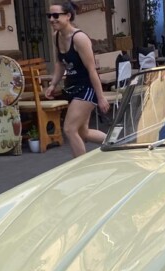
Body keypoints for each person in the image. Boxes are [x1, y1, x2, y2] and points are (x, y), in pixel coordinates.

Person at [45, 2, 109, 158]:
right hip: (73, 87)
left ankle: (81, 168)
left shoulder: (79, 38)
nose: (52, 19)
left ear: (68, 16)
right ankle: (118, 142)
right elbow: (60, 63)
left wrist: (101, 98)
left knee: (69, 129)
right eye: (49, 16)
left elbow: (91, 69)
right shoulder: (56, 36)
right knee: (83, 132)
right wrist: (53, 84)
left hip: (87, 88)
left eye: (56, 15)